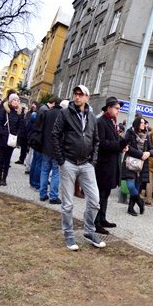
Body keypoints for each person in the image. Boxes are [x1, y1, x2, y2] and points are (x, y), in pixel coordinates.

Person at [51, 85, 104, 251]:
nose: (77, 97)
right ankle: (69, 234)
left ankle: (89, 231)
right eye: (75, 94)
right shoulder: (65, 113)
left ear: (87, 97)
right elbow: (55, 135)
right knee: (67, 204)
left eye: (81, 94)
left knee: (95, 201)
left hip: (86, 164)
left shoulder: (92, 117)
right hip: (68, 162)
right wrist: (61, 160)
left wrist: (93, 162)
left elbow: (96, 140)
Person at [95, 96, 129, 232]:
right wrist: (118, 144)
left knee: (106, 193)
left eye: (119, 109)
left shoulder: (112, 122)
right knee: (100, 195)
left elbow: (113, 143)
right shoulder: (101, 122)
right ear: (108, 108)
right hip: (103, 165)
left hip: (111, 164)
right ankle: (95, 222)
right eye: (116, 108)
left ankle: (102, 218)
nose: (118, 111)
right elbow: (102, 143)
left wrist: (122, 146)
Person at [0, 93, 25, 186]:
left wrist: (16, 136)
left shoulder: (19, 113)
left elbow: (20, 126)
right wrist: (3, 133)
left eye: (17, 100)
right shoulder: (4, 110)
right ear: (10, 101)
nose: (16, 102)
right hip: (2, 138)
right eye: (14, 100)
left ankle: (4, 178)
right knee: (1, 159)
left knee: (7, 160)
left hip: (11, 139)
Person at [122, 116, 151, 216]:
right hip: (130, 162)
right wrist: (141, 154)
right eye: (142, 123)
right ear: (137, 123)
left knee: (137, 186)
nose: (144, 124)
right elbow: (127, 146)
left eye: (144, 123)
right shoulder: (130, 132)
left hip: (142, 164)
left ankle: (130, 208)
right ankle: (140, 202)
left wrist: (149, 153)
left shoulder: (147, 135)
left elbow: (152, 149)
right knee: (130, 185)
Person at [39, 97, 64, 204]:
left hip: (46, 146)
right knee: (56, 173)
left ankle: (42, 194)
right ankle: (53, 196)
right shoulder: (62, 115)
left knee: (44, 171)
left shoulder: (48, 113)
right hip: (56, 148)